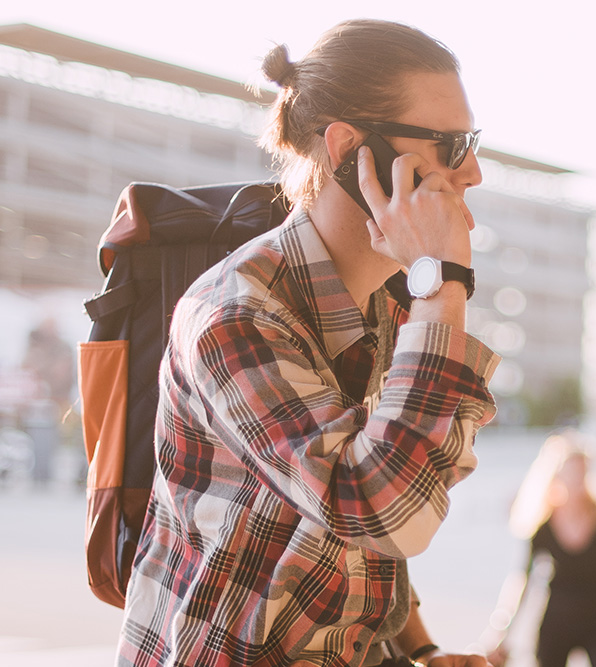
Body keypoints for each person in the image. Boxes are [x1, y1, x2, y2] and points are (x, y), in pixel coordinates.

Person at [116, 19, 499, 667]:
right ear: (352, 147)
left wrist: (420, 647)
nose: (474, 172)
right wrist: (443, 280)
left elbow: (360, 531)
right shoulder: (236, 314)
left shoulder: (387, 306)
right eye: (451, 144)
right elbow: (382, 509)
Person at [483, 430, 596, 667]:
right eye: (572, 472)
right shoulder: (544, 522)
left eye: (583, 471)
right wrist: (502, 632)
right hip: (556, 624)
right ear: (557, 475)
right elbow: (523, 579)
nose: (578, 479)